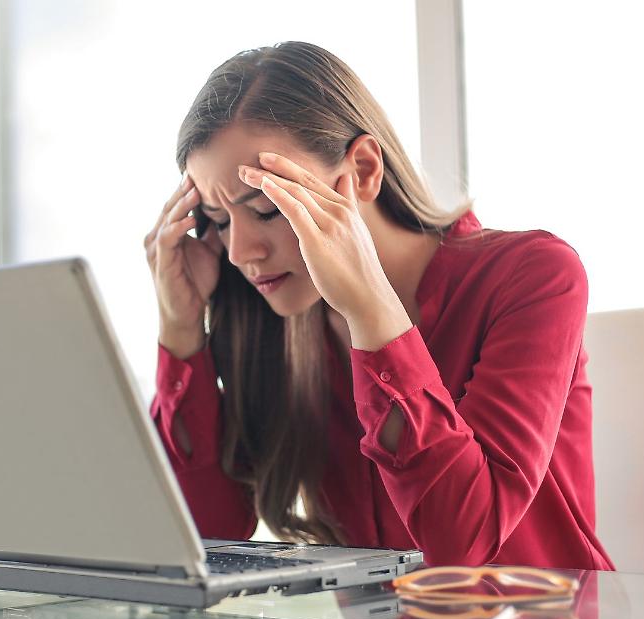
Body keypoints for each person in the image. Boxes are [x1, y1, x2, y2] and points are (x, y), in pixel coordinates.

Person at [143, 41, 613, 570]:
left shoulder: (533, 276)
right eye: (221, 220)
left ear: (364, 170)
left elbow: (464, 542)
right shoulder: (283, 318)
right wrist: (180, 328)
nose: (239, 251)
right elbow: (208, 535)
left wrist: (371, 314)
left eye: (268, 209)